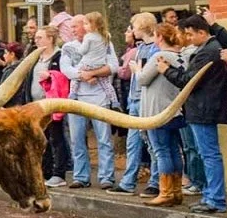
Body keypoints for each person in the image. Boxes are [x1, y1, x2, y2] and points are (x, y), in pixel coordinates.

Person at [166, 14, 227, 214]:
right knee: (206, 153)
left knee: (209, 154)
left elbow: (188, 79)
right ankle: (210, 195)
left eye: (190, 34)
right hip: (202, 108)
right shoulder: (208, 49)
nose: (188, 38)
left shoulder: (207, 52)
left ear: (202, 32)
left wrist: (166, 70)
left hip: (203, 109)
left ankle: (215, 199)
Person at [60, 12, 119, 189]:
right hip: (76, 98)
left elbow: (114, 66)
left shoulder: (104, 42)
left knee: (104, 139)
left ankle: (107, 177)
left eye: (76, 26)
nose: (73, 30)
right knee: (77, 139)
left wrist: (93, 73)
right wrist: (83, 75)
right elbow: (65, 69)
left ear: (87, 25)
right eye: (71, 27)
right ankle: (81, 176)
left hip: (100, 97)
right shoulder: (68, 47)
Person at [138, 22, 188, 207]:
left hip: (157, 110)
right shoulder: (181, 56)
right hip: (175, 110)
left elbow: (143, 79)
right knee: (174, 149)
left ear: (160, 37)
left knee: (161, 150)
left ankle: (165, 192)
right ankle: (176, 191)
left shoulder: (159, 55)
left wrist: (137, 70)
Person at [114, 12, 160, 195]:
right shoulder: (140, 48)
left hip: (145, 100)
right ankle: (128, 181)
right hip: (134, 99)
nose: (132, 30)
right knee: (132, 142)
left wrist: (137, 71)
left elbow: (146, 75)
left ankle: (155, 181)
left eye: (134, 26)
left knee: (151, 142)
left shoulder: (154, 49)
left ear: (142, 27)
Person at [29, 25, 71, 188]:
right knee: (40, 139)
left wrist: (51, 75)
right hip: (36, 105)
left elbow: (64, 79)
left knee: (56, 138)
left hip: (52, 106)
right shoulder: (34, 57)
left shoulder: (59, 57)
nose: (36, 40)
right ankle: (44, 171)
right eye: (36, 37)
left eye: (40, 37)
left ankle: (59, 172)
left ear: (50, 39)